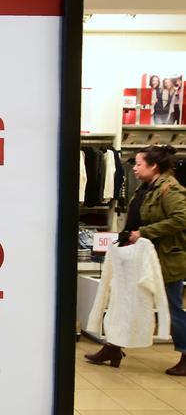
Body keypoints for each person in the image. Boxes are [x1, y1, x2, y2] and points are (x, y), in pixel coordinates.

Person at [85, 145, 186, 376]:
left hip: (165, 261)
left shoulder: (170, 190)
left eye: (140, 164)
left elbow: (182, 218)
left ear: (154, 166)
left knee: (171, 309)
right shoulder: (147, 188)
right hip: (138, 257)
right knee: (124, 302)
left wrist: (144, 233)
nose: (135, 169)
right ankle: (112, 347)